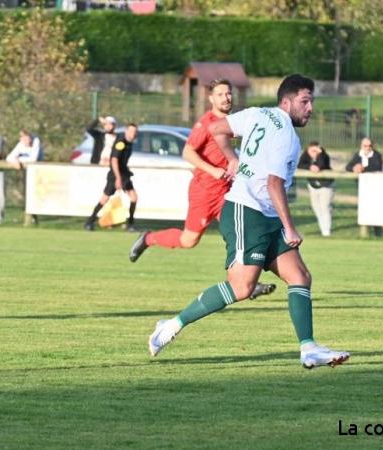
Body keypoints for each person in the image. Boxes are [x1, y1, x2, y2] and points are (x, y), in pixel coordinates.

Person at [147, 74, 350, 369]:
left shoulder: (257, 113)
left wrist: (232, 157)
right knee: (242, 288)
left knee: (300, 277)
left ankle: (309, 348)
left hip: (265, 214)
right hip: (247, 210)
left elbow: (217, 129)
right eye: (305, 101)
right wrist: (290, 226)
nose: (310, 108)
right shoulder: (287, 138)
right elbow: (274, 184)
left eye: (312, 102)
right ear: (287, 100)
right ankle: (171, 325)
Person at [129, 78, 276, 300]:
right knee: (189, 240)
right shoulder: (206, 123)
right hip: (205, 191)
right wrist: (213, 170)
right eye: (220, 94)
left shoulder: (235, 121)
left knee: (240, 233)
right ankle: (148, 238)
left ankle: (245, 283)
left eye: (228, 93)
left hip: (229, 191)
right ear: (211, 98)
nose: (226, 97)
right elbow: (188, 153)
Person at [84, 123, 139, 232]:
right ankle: (89, 222)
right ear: (126, 131)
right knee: (104, 198)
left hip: (124, 174)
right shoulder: (121, 143)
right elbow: (113, 160)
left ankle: (130, 224)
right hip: (115, 174)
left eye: (135, 132)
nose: (134, 134)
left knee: (134, 197)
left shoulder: (129, 143)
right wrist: (118, 178)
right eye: (131, 131)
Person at [346, 137, 383, 236]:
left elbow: (377, 167)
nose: (367, 148)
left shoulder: (376, 155)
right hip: (361, 187)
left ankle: (377, 232)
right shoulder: (358, 155)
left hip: (373, 187)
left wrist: (362, 168)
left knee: (374, 208)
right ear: (361, 146)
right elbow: (348, 167)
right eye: (365, 146)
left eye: (370, 146)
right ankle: (365, 231)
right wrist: (354, 168)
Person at [297, 141, 334, 237]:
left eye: (316, 150)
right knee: (317, 208)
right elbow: (300, 165)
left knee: (325, 208)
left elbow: (322, 164)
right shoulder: (305, 156)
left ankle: (327, 232)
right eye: (312, 150)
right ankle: (323, 229)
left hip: (325, 186)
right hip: (313, 186)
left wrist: (319, 154)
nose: (314, 152)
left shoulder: (323, 156)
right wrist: (310, 166)